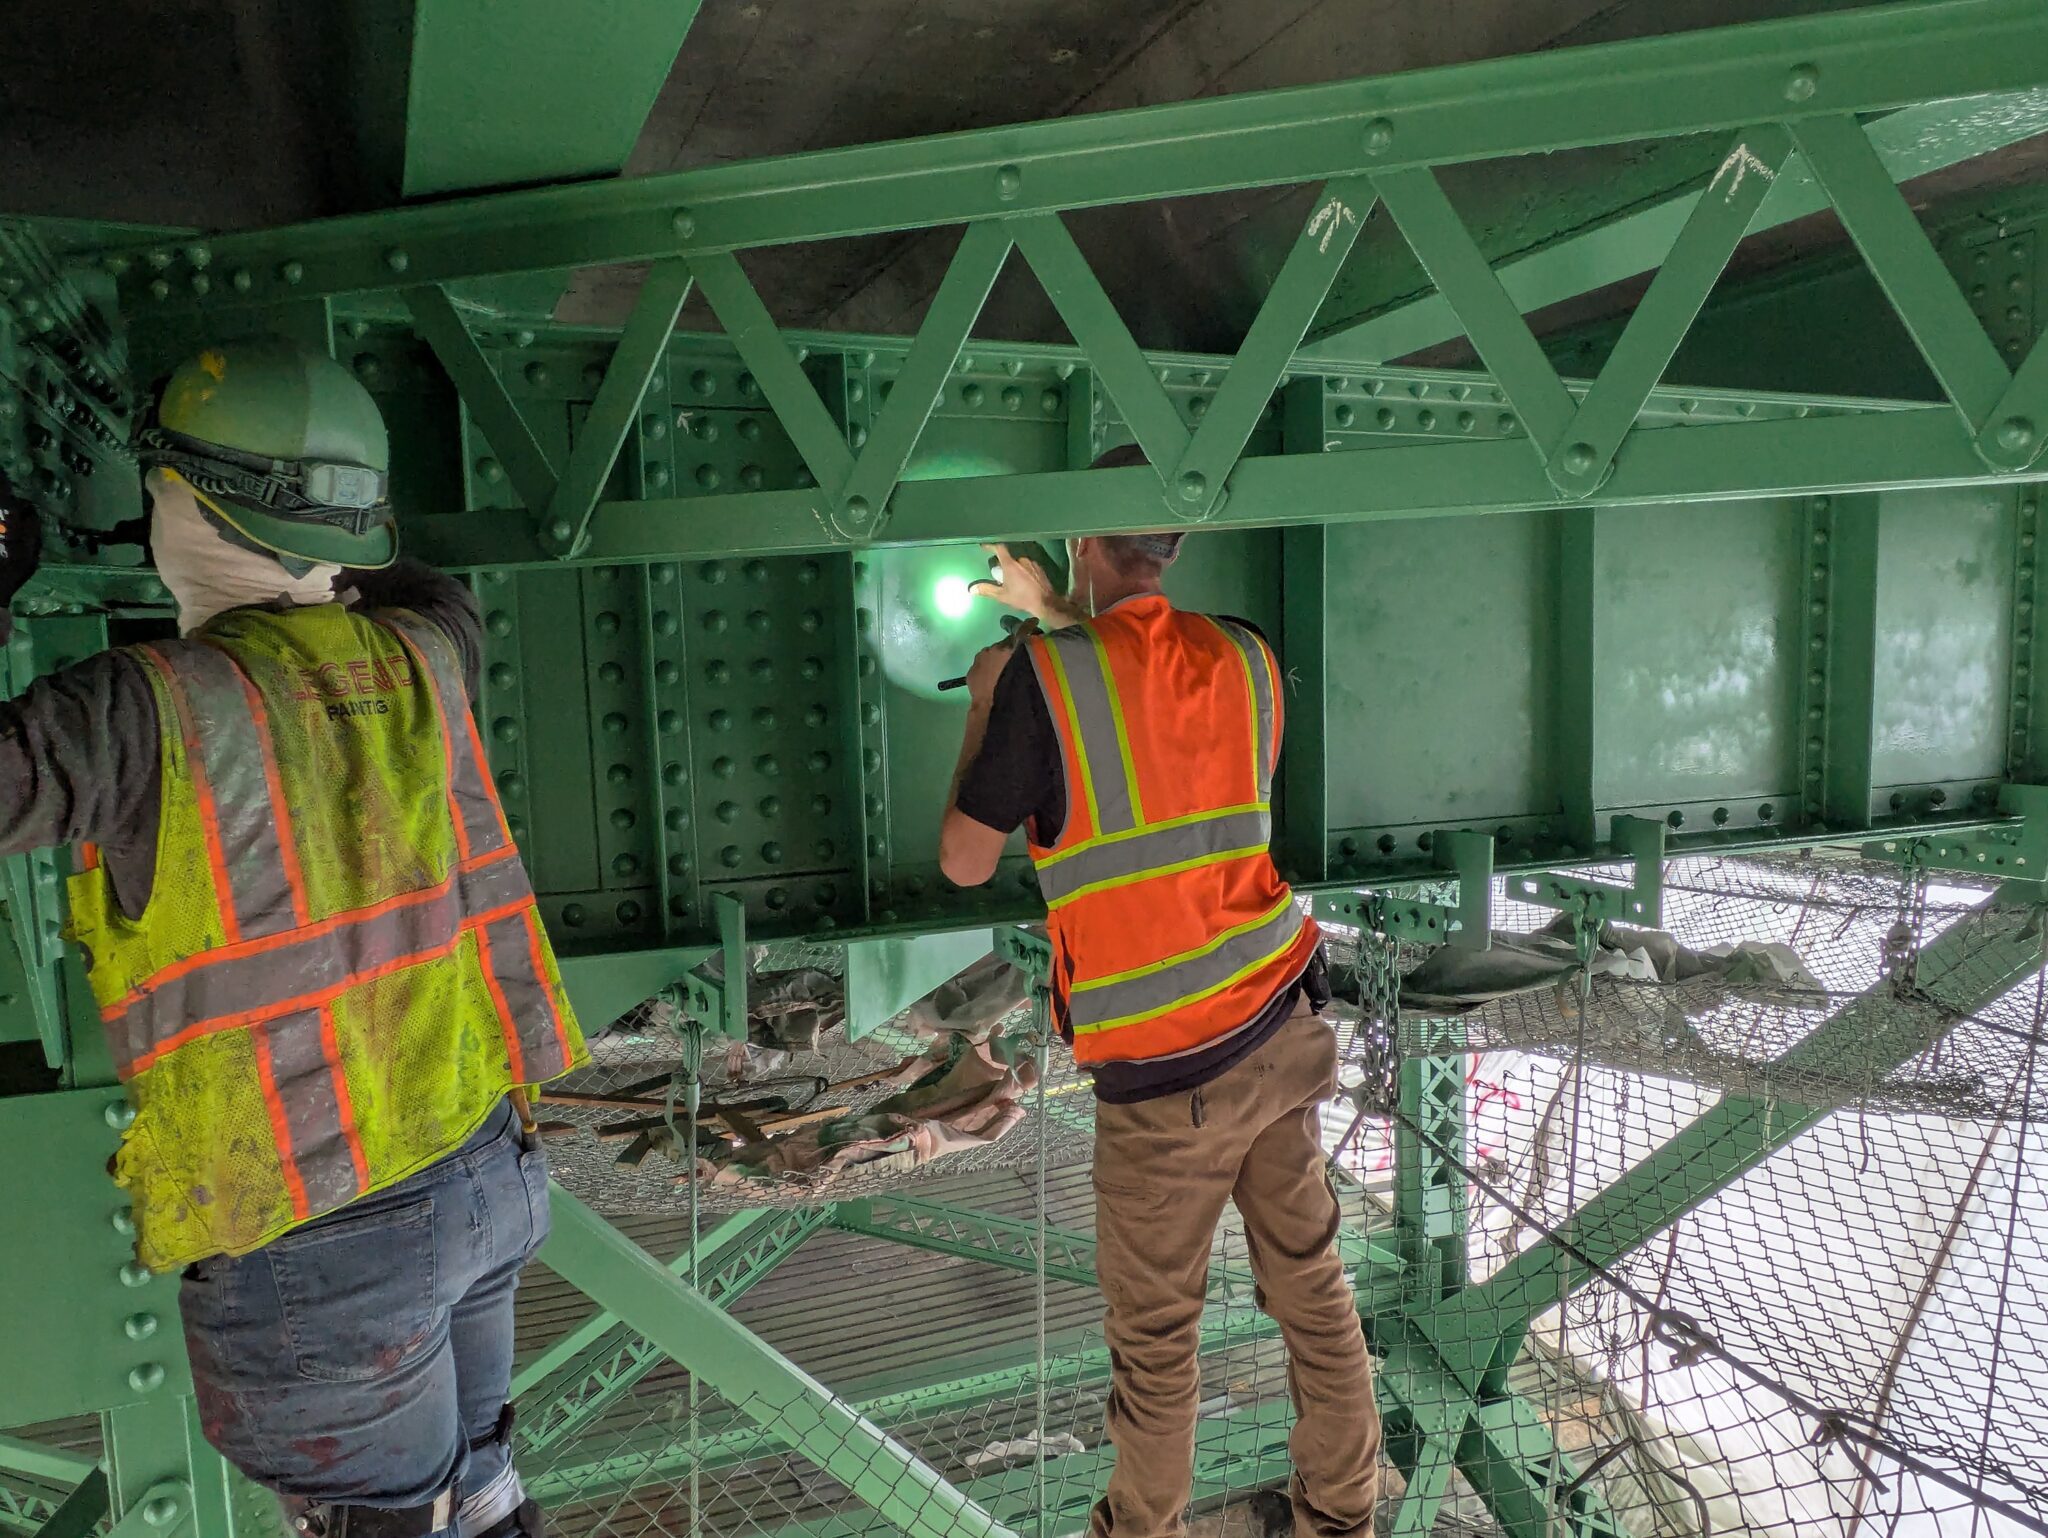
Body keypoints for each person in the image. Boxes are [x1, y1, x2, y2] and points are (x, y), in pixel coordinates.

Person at [0, 339, 587, 1538]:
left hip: (333, 1239)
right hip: (476, 1171)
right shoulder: (431, 649)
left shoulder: (137, 710)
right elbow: (410, 579)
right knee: (470, 1505)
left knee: (440, 1516)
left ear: (184, 508)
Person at [936, 445, 1379, 1538]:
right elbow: (1144, 708)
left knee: (1156, 1342)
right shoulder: (1246, 657)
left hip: (1163, 1083)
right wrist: (1055, 625)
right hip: (1277, 1026)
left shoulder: (1038, 679)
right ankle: (1345, 1516)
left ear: (1084, 546)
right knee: (1312, 1294)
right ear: (1171, 545)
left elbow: (960, 856)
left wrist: (994, 692)